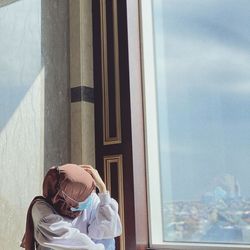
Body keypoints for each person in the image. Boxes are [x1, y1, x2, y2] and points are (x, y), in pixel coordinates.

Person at [20, 164, 122, 250]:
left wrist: (103, 190)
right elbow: (66, 239)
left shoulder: (86, 198)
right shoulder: (40, 208)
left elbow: (108, 231)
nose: (90, 197)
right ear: (63, 197)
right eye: (84, 195)